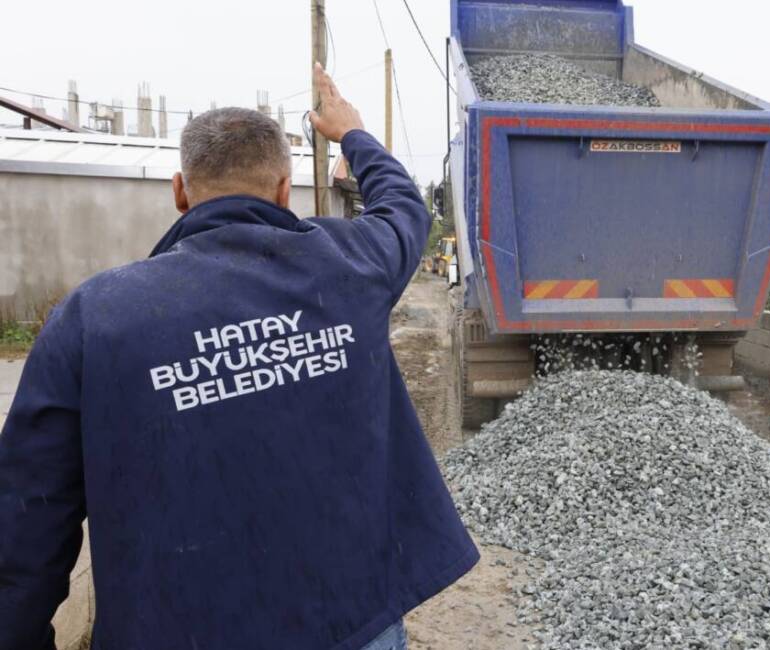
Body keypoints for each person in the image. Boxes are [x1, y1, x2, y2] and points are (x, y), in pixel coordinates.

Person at [0, 64, 478, 650]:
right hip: (352, 621)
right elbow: (404, 206)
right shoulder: (350, 262)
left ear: (180, 192)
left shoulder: (93, 315)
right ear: (284, 191)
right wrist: (353, 133)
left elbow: (29, 515)